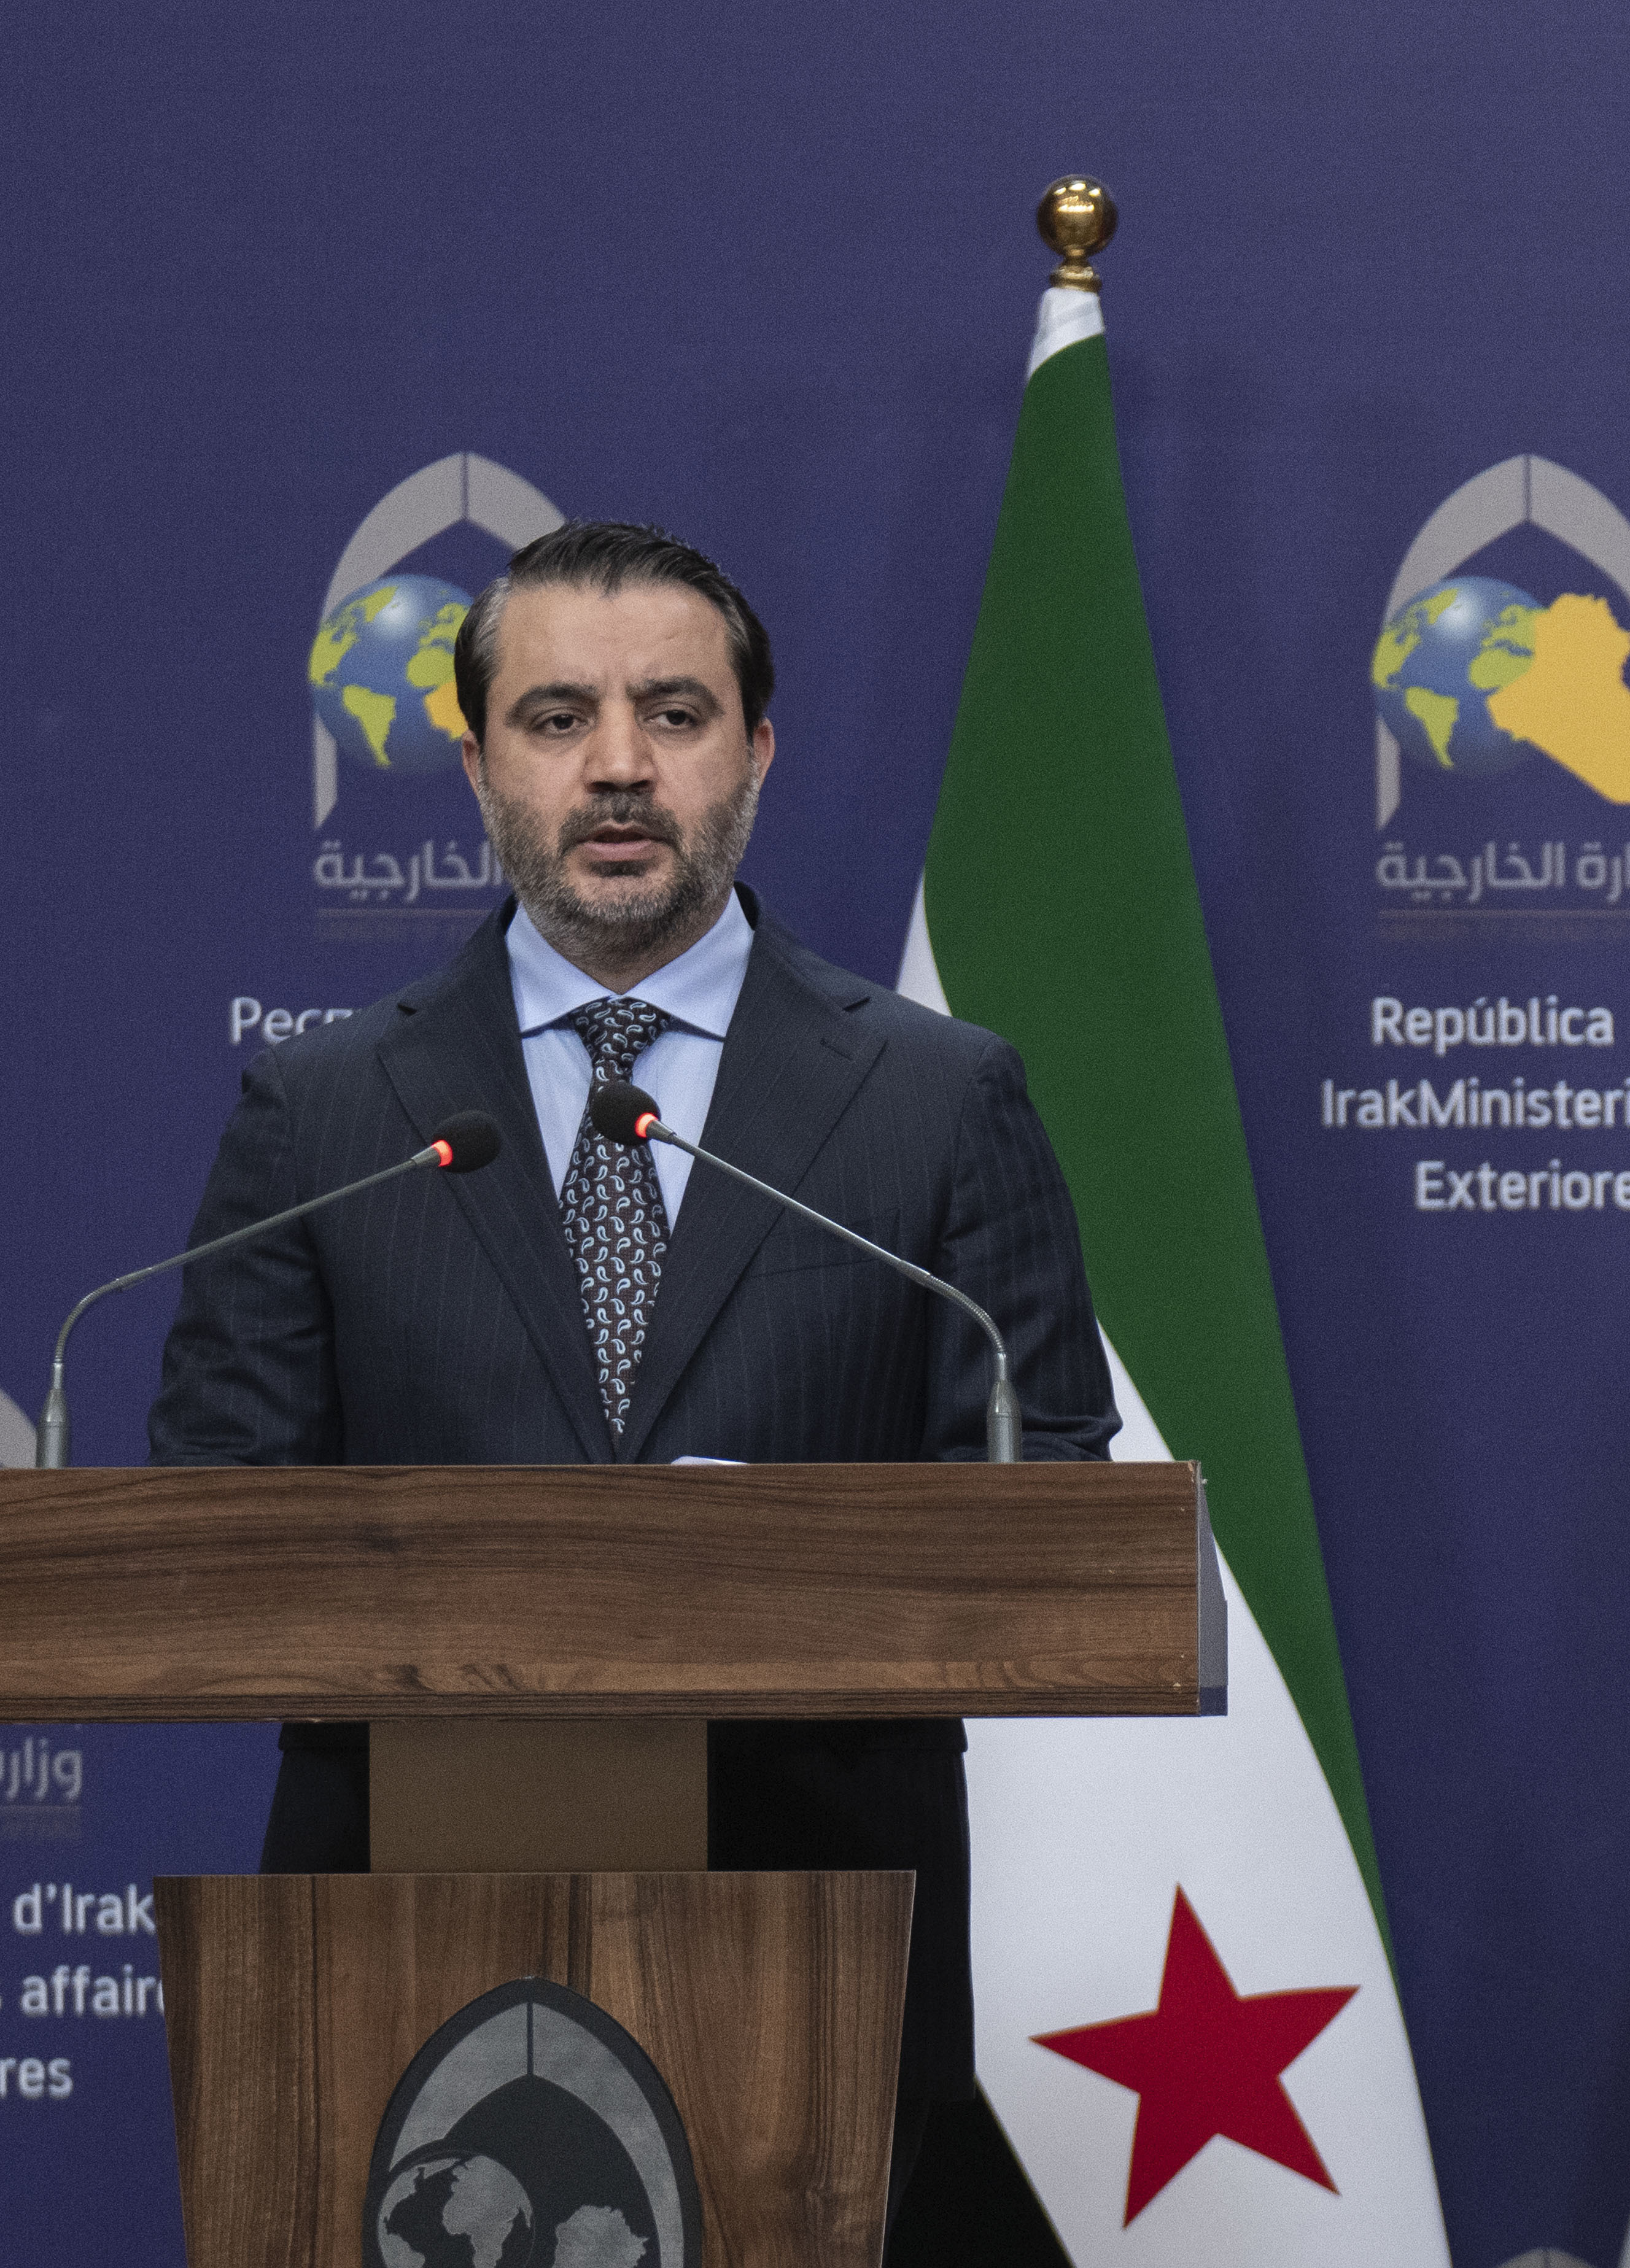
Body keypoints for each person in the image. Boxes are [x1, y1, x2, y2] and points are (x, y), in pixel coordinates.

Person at [149, 519, 1117, 2204]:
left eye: (673, 714)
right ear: (471, 764)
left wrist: (743, 1570)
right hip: (400, 1929)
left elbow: (1042, 1513)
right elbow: (209, 1539)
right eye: (555, 719)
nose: (617, 767)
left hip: (821, 1924)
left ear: (756, 748)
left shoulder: (939, 1100)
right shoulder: (319, 1117)